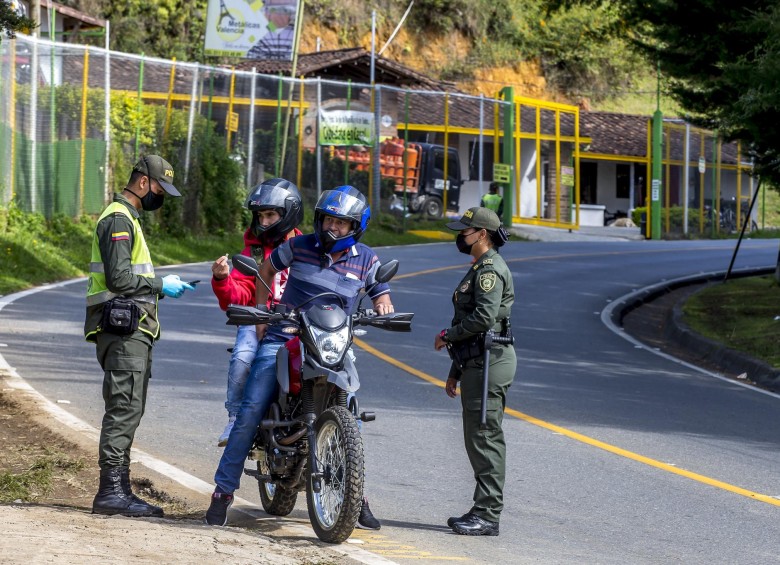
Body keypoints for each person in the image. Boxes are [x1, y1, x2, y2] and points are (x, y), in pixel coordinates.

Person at [205, 185, 393, 529]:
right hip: (285, 337)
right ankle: (223, 492)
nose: (332, 229)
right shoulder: (299, 245)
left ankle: (356, 495)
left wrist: (383, 305)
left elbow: (380, 289)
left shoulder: (366, 257)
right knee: (249, 411)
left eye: (341, 224)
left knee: (349, 414)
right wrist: (262, 313)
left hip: (333, 343)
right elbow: (265, 271)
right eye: (328, 221)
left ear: (355, 227)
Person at [84, 155, 195, 517]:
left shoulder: (127, 217)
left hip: (131, 328)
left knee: (130, 407)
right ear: (144, 182)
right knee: (123, 408)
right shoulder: (118, 219)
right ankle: (111, 492)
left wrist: (159, 288)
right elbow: (118, 279)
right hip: (122, 329)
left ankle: (119, 489)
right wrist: (162, 283)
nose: (160, 196)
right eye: (160, 188)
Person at [434, 206, 515, 536]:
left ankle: (488, 514)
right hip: (477, 360)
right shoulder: (480, 267)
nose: (460, 236)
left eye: (465, 231)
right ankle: (483, 508)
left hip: (490, 361)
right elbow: (476, 327)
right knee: (477, 437)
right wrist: (456, 370)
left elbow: (483, 319)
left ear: (482, 235)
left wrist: (446, 337)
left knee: (485, 438)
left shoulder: (489, 271)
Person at [211, 178, 303, 447]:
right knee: (242, 357)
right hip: (259, 320)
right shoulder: (252, 251)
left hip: (300, 322)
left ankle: (342, 424)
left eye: (270, 215)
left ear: (289, 213)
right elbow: (238, 295)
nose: (264, 222)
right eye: (260, 216)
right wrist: (223, 280)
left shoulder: (307, 248)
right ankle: (235, 416)